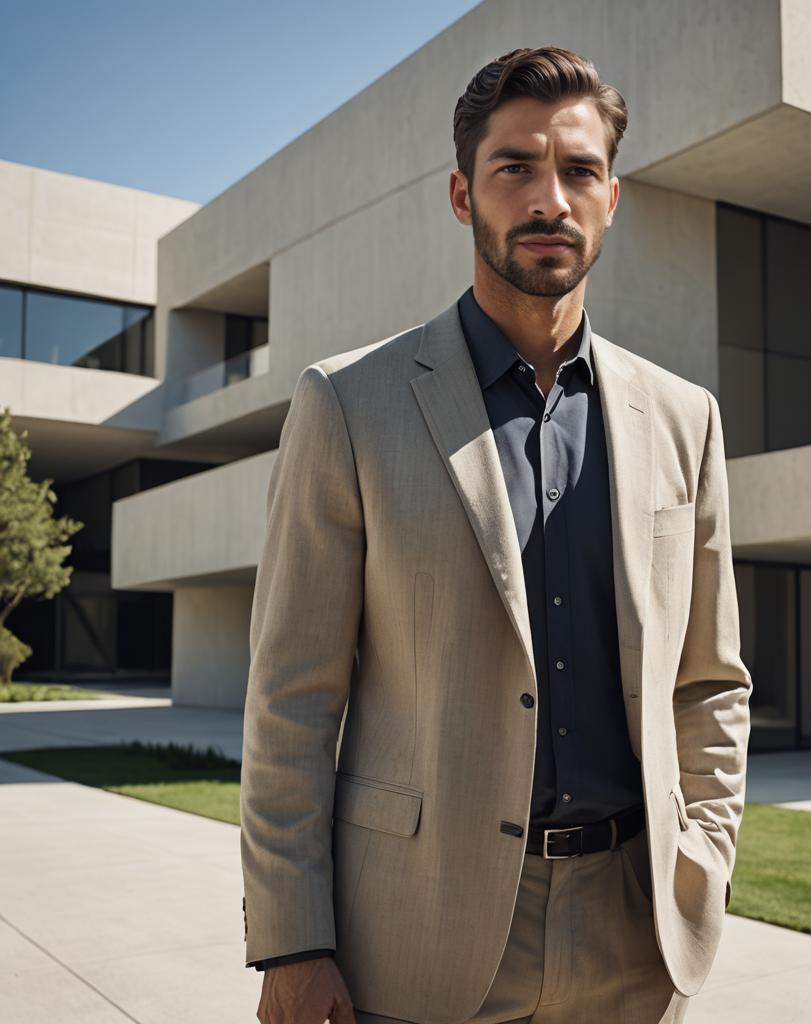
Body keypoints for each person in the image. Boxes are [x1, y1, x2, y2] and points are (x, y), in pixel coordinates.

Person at [240, 45, 752, 1024]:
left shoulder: (687, 418)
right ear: (462, 196)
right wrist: (292, 939)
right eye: (514, 167)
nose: (548, 197)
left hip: (636, 942)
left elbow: (710, 680)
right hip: (418, 936)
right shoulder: (348, 403)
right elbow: (292, 697)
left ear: (613, 197)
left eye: (577, 170)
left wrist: (707, 857)